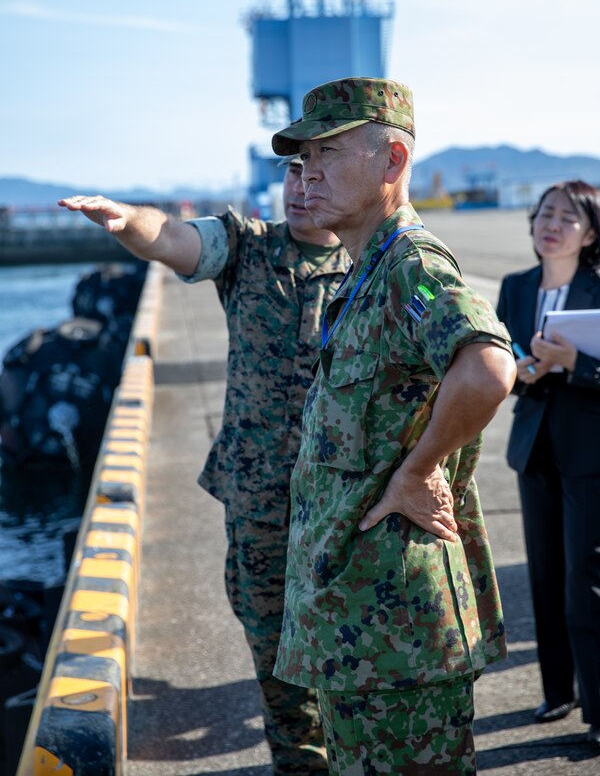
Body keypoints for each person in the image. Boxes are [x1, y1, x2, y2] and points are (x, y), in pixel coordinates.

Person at [59, 155, 350, 775]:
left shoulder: (378, 267)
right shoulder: (248, 245)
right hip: (260, 500)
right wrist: (125, 219)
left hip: (349, 505)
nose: (301, 187)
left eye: (317, 174)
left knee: (352, 661)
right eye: (294, 173)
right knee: (275, 657)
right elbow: (169, 237)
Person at [269, 77, 517, 775]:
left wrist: (418, 470)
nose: (307, 174)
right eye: (300, 161)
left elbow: (489, 369)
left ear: (393, 161)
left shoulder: (411, 263)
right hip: (359, 631)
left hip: (396, 636)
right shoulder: (366, 271)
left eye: (328, 153)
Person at [496, 180, 600, 749]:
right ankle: (558, 690)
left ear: (590, 234)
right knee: (543, 577)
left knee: (587, 581)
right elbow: (494, 357)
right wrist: (519, 372)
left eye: (567, 217)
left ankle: (599, 707)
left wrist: (575, 364)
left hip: (591, 455)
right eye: (544, 214)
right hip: (534, 452)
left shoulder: (599, 288)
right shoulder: (515, 288)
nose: (551, 224)